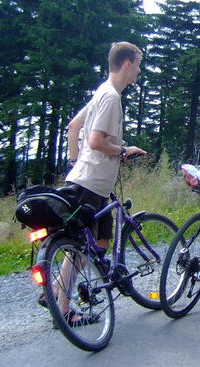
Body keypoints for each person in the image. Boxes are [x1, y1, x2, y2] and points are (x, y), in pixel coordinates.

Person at [45, 41, 146, 324]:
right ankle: (62, 307)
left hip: (92, 181)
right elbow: (96, 140)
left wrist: (73, 163)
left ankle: (55, 292)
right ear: (127, 63)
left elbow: (74, 126)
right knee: (81, 247)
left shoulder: (101, 92)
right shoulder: (111, 97)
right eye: (138, 64)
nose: (139, 70)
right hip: (91, 183)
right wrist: (124, 150)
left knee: (99, 242)